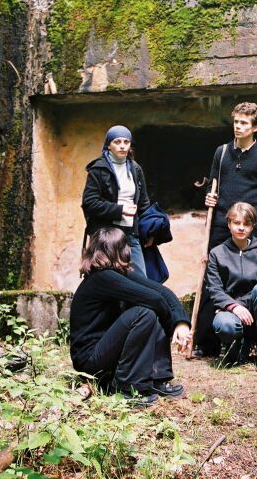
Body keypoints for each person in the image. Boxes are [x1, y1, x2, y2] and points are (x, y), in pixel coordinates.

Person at [70, 227, 190, 406]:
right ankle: (127, 388)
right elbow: (155, 299)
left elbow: (163, 292)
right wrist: (169, 326)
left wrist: (181, 324)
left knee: (150, 309)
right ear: (123, 250)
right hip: (89, 361)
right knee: (143, 313)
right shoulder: (102, 278)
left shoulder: (117, 274)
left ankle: (157, 379)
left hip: (104, 352)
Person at [206, 202, 257, 373]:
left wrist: (241, 305)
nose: (241, 228)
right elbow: (215, 289)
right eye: (236, 223)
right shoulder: (217, 253)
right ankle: (238, 346)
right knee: (224, 324)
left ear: (253, 226)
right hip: (231, 312)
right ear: (229, 224)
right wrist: (233, 307)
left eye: (246, 224)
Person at [205, 102, 257, 249]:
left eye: (244, 123)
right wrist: (209, 196)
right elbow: (211, 186)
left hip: (252, 227)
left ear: (255, 127)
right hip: (222, 226)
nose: (238, 126)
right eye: (236, 122)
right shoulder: (221, 152)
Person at [82, 125, 150, 275]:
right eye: (117, 142)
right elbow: (89, 202)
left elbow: (144, 203)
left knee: (140, 279)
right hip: (106, 235)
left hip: (130, 233)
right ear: (109, 145)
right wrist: (120, 210)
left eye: (126, 142)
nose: (122, 146)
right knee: (108, 280)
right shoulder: (98, 169)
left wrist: (149, 232)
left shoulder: (135, 169)